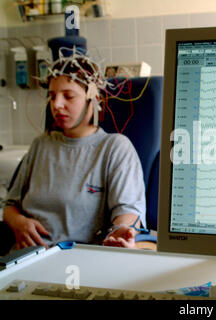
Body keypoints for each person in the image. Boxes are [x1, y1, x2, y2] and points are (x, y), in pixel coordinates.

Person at [2, 48, 146, 251]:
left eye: (68, 96)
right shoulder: (40, 145)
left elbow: (128, 210)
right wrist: (19, 223)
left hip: (77, 262)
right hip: (22, 258)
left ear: (93, 99)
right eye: (52, 97)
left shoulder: (114, 148)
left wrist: (122, 231)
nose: (57, 105)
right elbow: (10, 205)